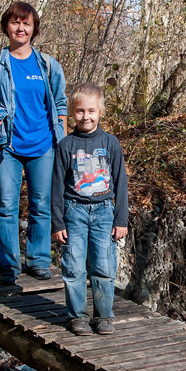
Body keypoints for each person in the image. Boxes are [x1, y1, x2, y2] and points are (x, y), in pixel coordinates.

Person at [0, 2, 68, 285]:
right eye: (15, 22)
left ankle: (39, 261)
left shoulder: (47, 65)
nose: (21, 28)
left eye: (26, 23)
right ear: (7, 26)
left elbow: (60, 103)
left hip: (43, 146)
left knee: (41, 205)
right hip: (5, 146)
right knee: (6, 206)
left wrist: (59, 139)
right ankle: (8, 266)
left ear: (34, 29)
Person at [51, 84, 129, 335]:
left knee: (104, 266)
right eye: (81, 111)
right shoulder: (66, 145)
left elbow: (121, 183)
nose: (86, 117)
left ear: (101, 111)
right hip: (74, 210)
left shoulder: (110, 143)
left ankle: (103, 315)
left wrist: (121, 219)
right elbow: (56, 187)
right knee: (73, 266)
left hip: (105, 211)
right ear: (73, 112)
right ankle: (78, 317)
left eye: (91, 111)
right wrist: (58, 222)